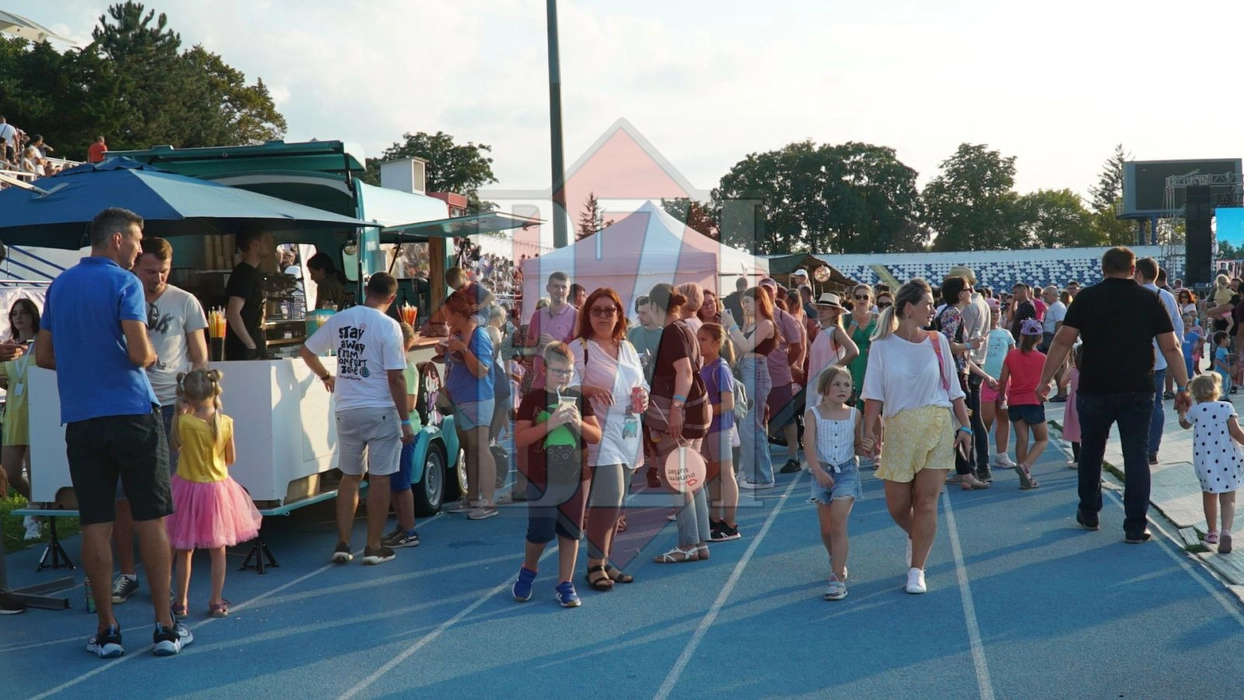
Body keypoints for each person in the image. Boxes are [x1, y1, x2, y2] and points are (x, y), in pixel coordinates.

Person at [35, 207, 191, 657]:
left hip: (82, 419)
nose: (141, 250)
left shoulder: (60, 285)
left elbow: (43, 356)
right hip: (132, 413)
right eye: (138, 240)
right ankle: (165, 627)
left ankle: (106, 630)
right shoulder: (126, 282)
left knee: (95, 524)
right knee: (151, 519)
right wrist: (150, 357)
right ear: (118, 239)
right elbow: (140, 353)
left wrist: (86, 365)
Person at [1037, 246, 1188, 543]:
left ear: (1103, 269)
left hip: (1096, 386)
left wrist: (1046, 381)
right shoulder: (1151, 298)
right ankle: (1135, 525)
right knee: (1136, 455)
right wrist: (1183, 386)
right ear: (1133, 270)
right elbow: (1171, 346)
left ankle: (1089, 511)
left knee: (1092, 451)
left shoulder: (1087, 297)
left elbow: (1063, 340)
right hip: (1138, 386)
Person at [111, 237, 209, 606]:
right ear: (135, 265)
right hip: (128, 404)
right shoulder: (121, 295)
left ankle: (162, 578)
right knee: (122, 496)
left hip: (171, 406)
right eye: (150, 271)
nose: (157, 278)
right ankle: (128, 574)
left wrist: (196, 402)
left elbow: (199, 356)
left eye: (163, 271)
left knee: (165, 497)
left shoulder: (185, 301)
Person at [860, 278, 973, 594]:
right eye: (928, 304)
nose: (934, 309)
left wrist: (965, 427)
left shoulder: (938, 341)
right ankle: (918, 535)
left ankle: (916, 570)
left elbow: (954, 390)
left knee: (925, 501)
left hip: (937, 425)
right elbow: (873, 395)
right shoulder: (881, 346)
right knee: (897, 506)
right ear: (909, 308)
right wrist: (868, 432)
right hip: (898, 430)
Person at [300, 272, 415, 566]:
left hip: (347, 408)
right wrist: (405, 421)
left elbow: (307, 351)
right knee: (380, 479)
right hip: (380, 409)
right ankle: (373, 547)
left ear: (366, 289)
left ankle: (343, 543)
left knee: (350, 477)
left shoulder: (340, 319)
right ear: (392, 298)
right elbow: (396, 377)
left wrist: (326, 376)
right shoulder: (389, 326)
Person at [166, 369, 262, 619]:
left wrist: (181, 413)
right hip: (217, 490)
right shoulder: (226, 422)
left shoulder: (184, 422)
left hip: (187, 488)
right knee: (218, 548)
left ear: (187, 396)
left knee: (184, 547)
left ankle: (181, 602)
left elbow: (174, 446)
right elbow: (231, 459)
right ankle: (216, 600)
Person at [511, 342, 601, 607]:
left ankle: (565, 583)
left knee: (571, 532)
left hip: (576, 476)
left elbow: (596, 436)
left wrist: (577, 422)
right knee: (540, 531)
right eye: (558, 371)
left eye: (568, 372)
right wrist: (550, 424)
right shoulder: (532, 400)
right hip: (541, 478)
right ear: (544, 370)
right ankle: (529, 569)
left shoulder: (578, 399)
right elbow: (520, 438)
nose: (563, 377)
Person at [569, 288, 648, 589]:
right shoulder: (580, 348)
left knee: (618, 503)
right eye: (597, 310)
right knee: (609, 498)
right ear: (587, 315)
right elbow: (564, 387)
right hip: (600, 432)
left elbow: (641, 383)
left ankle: (605, 561)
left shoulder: (627, 347)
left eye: (609, 310)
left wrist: (645, 396)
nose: (603, 315)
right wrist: (590, 390)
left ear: (619, 315)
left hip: (630, 431)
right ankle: (593, 565)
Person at [645, 283, 712, 563]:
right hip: (696, 410)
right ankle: (699, 541)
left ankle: (688, 544)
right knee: (691, 477)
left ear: (655, 306)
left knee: (678, 479)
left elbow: (684, 371)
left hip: (681, 415)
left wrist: (675, 408)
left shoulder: (672, 332)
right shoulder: (685, 327)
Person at [804, 365, 863, 601]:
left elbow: (858, 445)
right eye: (837, 384)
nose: (842, 389)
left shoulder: (855, 414)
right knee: (826, 528)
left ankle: (837, 579)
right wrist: (818, 470)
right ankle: (834, 556)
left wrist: (868, 447)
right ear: (824, 388)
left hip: (847, 473)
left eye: (847, 385)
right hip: (821, 473)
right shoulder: (813, 414)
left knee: (838, 524)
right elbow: (809, 445)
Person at [440, 288, 498, 519]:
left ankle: (489, 502)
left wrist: (462, 349)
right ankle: (473, 497)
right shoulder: (458, 333)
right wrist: (444, 351)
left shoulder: (479, 335)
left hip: (478, 398)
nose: (445, 318)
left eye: (447, 313)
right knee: (469, 449)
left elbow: (482, 371)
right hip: (460, 399)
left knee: (481, 448)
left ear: (457, 313)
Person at [934, 275, 992, 490]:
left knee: (961, 422)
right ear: (960, 294)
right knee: (963, 422)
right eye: (968, 289)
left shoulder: (950, 313)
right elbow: (947, 345)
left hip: (959, 372)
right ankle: (968, 471)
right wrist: (970, 345)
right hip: (956, 374)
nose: (972, 292)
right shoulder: (953, 314)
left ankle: (964, 470)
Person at [1178, 373, 1243, 554]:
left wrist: (1182, 411)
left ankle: (1212, 532)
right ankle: (1226, 531)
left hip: (1205, 461)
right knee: (1228, 499)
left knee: (1209, 496)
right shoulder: (1226, 407)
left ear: (1195, 393)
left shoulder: (1195, 410)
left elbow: (1184, 424)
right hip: (1228, 458)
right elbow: (1236, 433)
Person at [723, 287, 776, 489]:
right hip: (747, 369)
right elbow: (739, 350)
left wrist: (733, 325)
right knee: (747, 425)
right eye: (743, 302)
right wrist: (731, 331)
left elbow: (747, 346)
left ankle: (761, 477)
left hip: (757, 372)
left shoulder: (766, 324)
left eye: (747, 301)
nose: (744, 306)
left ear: (759, 301)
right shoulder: (750, 323)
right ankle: (756, 473)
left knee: (750, 426)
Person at [1135, 257, 1183, 464]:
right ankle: (1152, 449)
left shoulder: (1135, 295)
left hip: (1137, 360)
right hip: (1162, 358)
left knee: (1136, 405)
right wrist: (1176, 354)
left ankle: (1139, 447)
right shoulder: (1166, 296)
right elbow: (1177, 327)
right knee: (1157, 404)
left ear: (1139, 274)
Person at [697, 323, 740, 542]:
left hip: (720, 427)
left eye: (703, 340)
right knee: (712, 474)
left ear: (716, 343)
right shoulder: (704, 367)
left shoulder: (720, 368)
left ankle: (730, 524)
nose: (699, 343)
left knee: (725, 474)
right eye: (698, 339)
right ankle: (715, 519)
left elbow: (728, 403)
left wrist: (704, 412)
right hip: (708, 428)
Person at [382, 322, 423, 550]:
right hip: (390, 429)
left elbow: (409, 403)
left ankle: (410, 532)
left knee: (402, 483)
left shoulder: (408, 367)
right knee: (393, 482)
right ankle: (402, 525)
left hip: (405, 431)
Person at [758, 279, 804, 475]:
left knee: (786, 418)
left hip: (779, 377)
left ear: (776, 293)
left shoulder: (785, 318)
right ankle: (762, 458)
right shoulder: (753, 316)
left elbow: (797, 347)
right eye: (763, 290)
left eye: (769, 290)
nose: (766, 293)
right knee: (760, 418)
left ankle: (793, 457)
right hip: (757, 376)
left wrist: (786, 365)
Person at [996, 319, 1047, 490]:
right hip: (1033, 402)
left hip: (1015, 403)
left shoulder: (1012, 355)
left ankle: (1024, 478)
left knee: (1022, 439)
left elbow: (1003, 379)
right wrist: (1044, 394)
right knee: (1042, 439)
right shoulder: (1043, 358)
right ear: (1040, 338)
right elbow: (1046, 382)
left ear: (1021, 336)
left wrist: (1002, 396)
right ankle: (1025, 466)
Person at [0, 299, 38, 504]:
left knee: (35, 471)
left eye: (23, 313)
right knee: (10, 472)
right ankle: (37, 504)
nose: (18, 317)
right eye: (14, 314)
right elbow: (6, 382)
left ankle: (35, 514)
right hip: (14, 414)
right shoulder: (8, 346)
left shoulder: (43, 344)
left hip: (37, 412)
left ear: (33, 316)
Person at [524, 272, 579, 391]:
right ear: (548, 288)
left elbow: (580, 353)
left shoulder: (577, 316)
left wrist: (555, 344)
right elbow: (527, 353)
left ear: (569, 290)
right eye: (556, 286)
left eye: (563, 287)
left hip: (563, 387)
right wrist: (535, 345)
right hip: (538, 385)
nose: (560, 290)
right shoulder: (537, 316)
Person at [224, 227, 271, 360]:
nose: (269, 245)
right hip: (243, 352)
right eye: (266, 241)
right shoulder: (244, 274)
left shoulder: (252, 273)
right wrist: (250, 345)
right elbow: (233, 312)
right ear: (255, 244)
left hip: (253, 348)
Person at [980, 301, 1017, 470]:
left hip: (1004, 383)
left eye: (997, 311)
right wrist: (985, 377)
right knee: (985, 420)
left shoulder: (1006, 334)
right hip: (985, 382)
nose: (995, 314)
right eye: (991, 311)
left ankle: (1002, 455)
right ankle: (981, 454)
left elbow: (1013, 358)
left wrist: (1009, 379)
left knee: (1003, 417)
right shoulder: (979, 333)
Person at [807, 293, 859, 405]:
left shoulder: (836, 331)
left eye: (825, 309)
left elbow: (854, 351)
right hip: (816, 381)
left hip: (831, 383)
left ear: (834, 312)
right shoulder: (820, 331)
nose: (821, 311)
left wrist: (834, 369)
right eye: (819, 308)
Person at [845, 284, 878, 402]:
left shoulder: (878, 319)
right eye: (858, 297)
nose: (862, 300)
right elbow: (845, 342)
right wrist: (855, 321)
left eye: (865, 297)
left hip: (872, 362)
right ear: (853, 299)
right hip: (853, 362)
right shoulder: (845, 318)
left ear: (871, 299)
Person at [1060, 345, 1084, 467]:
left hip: (1074, 401)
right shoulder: (1094, 369)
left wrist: (1067, 368)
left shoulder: (1072, 370)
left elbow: (1062, 384)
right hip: (1088, 399)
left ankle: (1077, 459)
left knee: (1075, 430)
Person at [1182, 313, 1203, 382]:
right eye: (1185, 321)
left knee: (1189, 376)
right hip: (1180, 358)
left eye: (1190, 321)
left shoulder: (1192, 334)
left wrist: (1196, 348)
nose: (1188, 323)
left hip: (1189, 358)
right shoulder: (1179, 333)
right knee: (1180, 376)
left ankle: (1189, 387)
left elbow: (1202, 340)